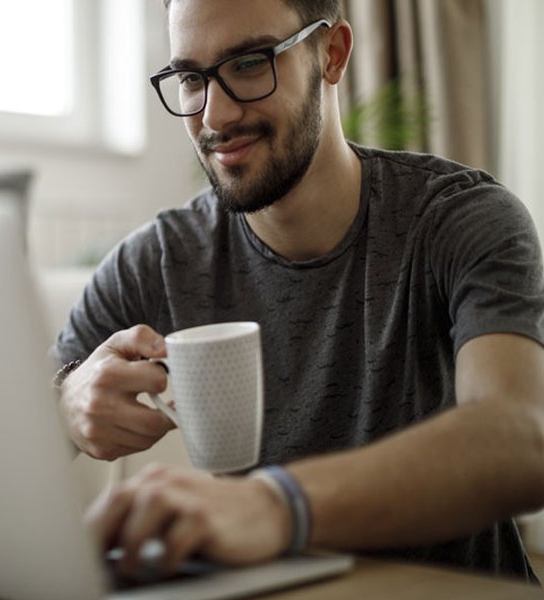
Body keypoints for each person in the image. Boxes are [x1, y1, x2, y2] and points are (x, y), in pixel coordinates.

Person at [52, 0, 544, 584]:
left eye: (250, 64)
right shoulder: (159, 259)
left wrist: (275, 505)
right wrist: (66, 404)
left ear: (331, 54)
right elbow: (9, 436)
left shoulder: (460, 219)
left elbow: (522, 438)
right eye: (191, 78)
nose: (216, 115)